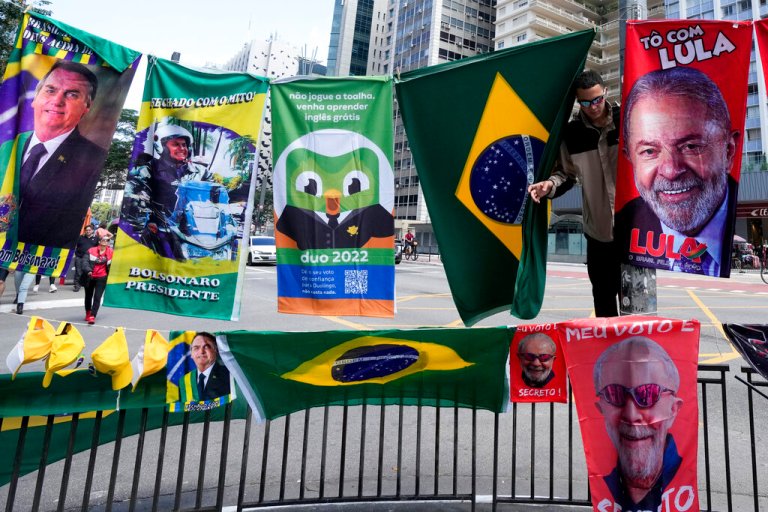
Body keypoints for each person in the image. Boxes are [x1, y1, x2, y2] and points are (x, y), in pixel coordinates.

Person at [616, 67, 738, 276]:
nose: (671, 171)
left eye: (691, 147)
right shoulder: (621, 225)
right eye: (649, 151)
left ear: (728, 152)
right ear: (630, 159)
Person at [528, 70, 620, 317]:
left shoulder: (628, 119)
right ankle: (609, 354)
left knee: (638, 305)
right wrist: (549, 185)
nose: (593, 106)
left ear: (605, 92)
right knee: (604, 306)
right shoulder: (571, 133)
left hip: (635, 234)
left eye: (597, 99)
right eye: (586, 102)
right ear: (578, 102)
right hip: (598, 235)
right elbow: (566, 175)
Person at [7, 60, 107, 248]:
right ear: (36, 98)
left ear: (87, 106)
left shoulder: (92, 160)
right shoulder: (7, 146)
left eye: (72, 94)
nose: (57, 100)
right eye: (51, 90)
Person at [593, 336, 683, 511]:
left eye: (648, 394)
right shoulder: (603, 483)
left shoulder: (681, 477)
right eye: (614, 394)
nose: (631, 416)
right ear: (601, 408)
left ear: (673, 410)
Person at [123, 124, 212, 259]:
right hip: (160, 229)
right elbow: (128, 192)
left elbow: (216, 193)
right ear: (162, 146)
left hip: (195, 231)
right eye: (176, 144)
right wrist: (140, 200)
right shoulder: (147, 170)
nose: (182, 148)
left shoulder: (201, 172)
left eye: (184, 145)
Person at [178, 332, 231, 402]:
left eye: (206, 347)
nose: (201, 351)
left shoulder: (228, 375)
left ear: (216, 350)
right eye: (196, 348)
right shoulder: (184, 381)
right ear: (191, 354)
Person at [83, 235, 113, 325]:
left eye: (107, 240)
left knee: (97, 297)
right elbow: (84, 262)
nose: (105, 241)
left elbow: (115, 264)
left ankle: (93, 315)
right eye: (103, 240)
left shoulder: (111, 252)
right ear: (99, 241)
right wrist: (88, 271)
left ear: (108, 242)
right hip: (90, 276)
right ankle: (88, 312)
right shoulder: (91, 250)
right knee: (88, 296)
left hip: (102, 277)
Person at [73, 225, 97, 291]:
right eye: (86, 230)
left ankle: (88, 285)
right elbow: (75, 246)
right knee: (78, 272)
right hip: (79, 257)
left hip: (90, 259)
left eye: (89, 230)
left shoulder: (96, 238)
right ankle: (77, 285)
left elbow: (98, 248)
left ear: (92, 230)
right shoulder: (80, 237)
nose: (88, 231)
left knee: (89, 272)